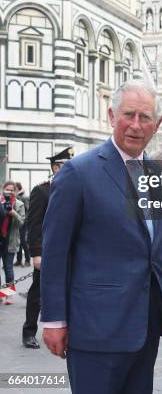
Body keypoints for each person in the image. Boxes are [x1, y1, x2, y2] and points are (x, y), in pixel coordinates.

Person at [41, 80, 162, 394]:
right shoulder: (79, 172)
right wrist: (53, 319)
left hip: (145, 324)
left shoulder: (159, 176)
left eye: (145, 117)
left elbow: (156, 238)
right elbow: (55, 252)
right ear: (111, 115)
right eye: (128, 115)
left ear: (156, 124)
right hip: (95, 327)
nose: (136, 125)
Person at [22, 147, 73, 349]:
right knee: (38, 292)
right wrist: (36, 253)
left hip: (70, 251)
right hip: (48, 252)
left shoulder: (75, 188)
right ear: (55, 167)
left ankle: (66, 329)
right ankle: (29, 332)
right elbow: (34, 224)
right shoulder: (42, 190)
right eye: (65, 165)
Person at [0, 181, 25, 304]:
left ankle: (8, 296)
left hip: (11, 240)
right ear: (3, 190)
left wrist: (14, 214)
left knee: (8, 268)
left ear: (15, 191)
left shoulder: (19, 204)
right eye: (7, 189)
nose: (9, 192)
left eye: (11, 190)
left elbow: (22, 223)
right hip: (0, 238)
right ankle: (0, 295)